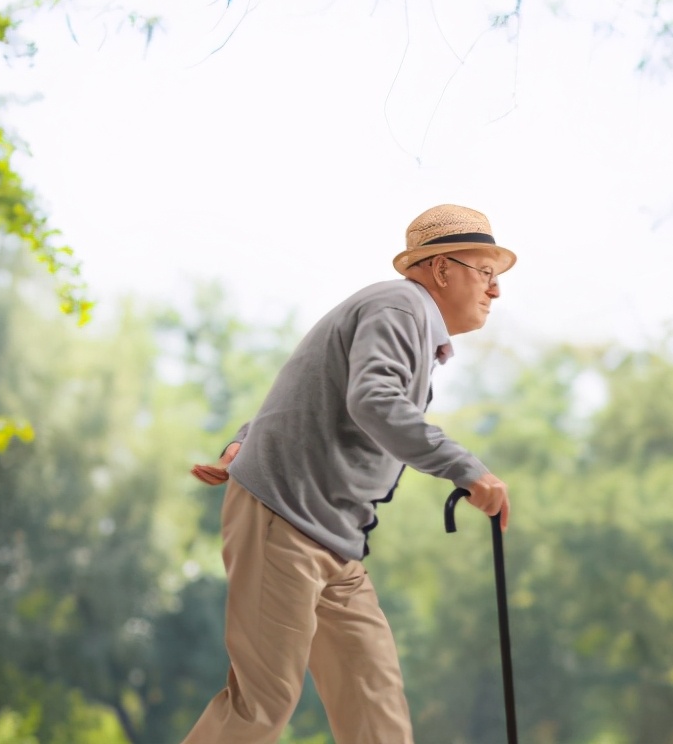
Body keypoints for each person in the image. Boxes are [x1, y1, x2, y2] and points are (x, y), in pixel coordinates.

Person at [182, 204, 516, 744]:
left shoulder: (406, 320)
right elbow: (373, 400)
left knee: (374, 707)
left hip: (335, 541)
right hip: (284, 519)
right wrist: (466, 468)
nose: (495, 290)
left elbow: (312, 386)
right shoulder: (401, 306)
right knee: (261, 706)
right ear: (440, 269)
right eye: (485, 272)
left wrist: (243, 438)